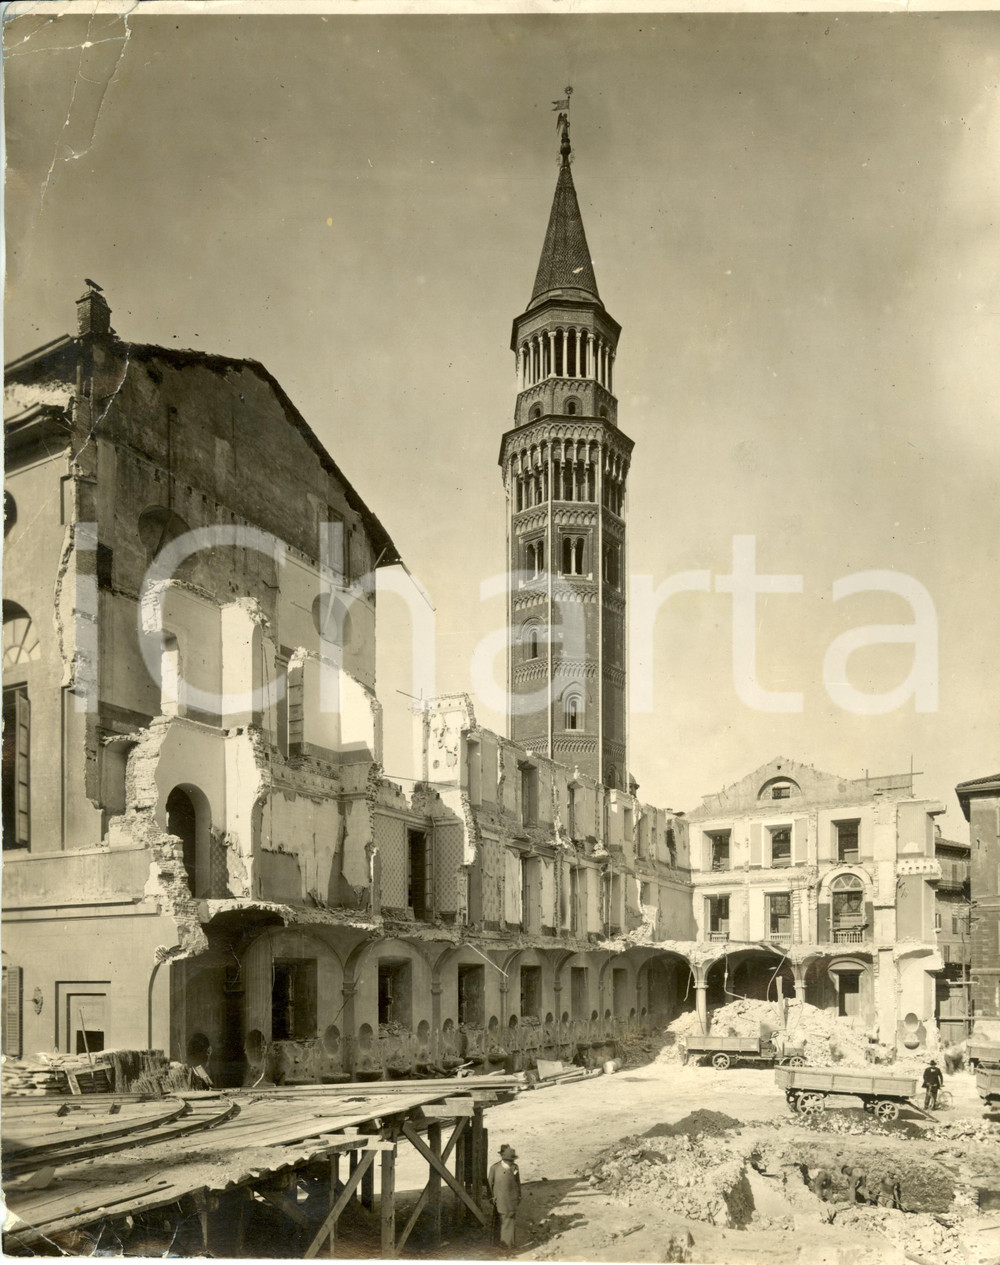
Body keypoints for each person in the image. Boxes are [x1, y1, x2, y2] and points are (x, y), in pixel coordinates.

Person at [488, 1143, 522, 1254]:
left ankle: (511, 1245)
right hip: (500, 1201)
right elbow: (489, 1184)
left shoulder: (515, 1167)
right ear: (504, 1158)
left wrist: (519, 1195)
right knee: (503, 1223)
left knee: (510, 1222)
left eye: (512, 1160)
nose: (511, 1162)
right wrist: (491, 1197)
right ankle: (505, 1246)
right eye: (509, 1160)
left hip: (512, 1200)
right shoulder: (494, 1168)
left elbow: (518, 1182)